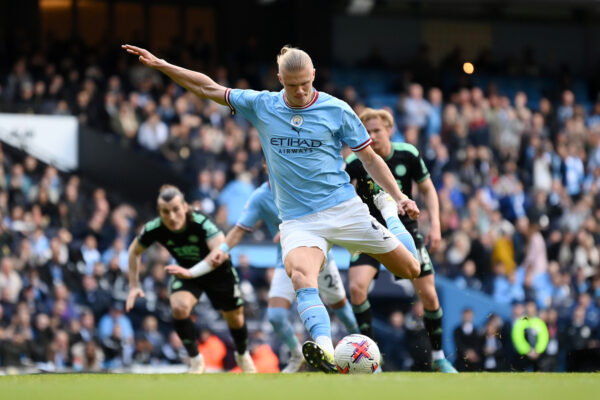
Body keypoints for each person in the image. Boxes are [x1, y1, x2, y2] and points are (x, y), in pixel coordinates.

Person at [123, 44, 420, 373]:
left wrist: (399, 197)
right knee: (300, 275)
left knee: (411, 269)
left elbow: (369, 158)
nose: (300, 91)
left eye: (305, 83)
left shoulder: (337, 110)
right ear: (280, 79)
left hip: (344, 209)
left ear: (314, 76)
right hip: (299, 220)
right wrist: (163, 64)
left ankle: (389, 214)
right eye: (292, 85)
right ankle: (323, 347)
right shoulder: (262, 104)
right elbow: (207, 87)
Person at [345, 107, 457, 372]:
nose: (371, 136)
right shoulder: (354, 162)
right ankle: (370, 359)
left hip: (405, 231)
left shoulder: (408, 153)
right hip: (369, 232)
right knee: (357, 289)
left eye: (376, 131)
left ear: (389, 130)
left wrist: (436, 225)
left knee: (429, 295)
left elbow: (428, 189)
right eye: (367, 131)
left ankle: (439, 356)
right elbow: (345, 197)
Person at [211, 173, 359, 373]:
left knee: (342, 309)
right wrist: (222, 251)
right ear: (266, 164)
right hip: (286, 260)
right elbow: (240, 229)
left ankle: (363, 352)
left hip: (318, 254)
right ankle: (297, 354)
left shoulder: (302, 184)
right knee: (275, 316)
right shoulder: (261, 197)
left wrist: (296, 228)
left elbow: (326, 211)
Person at [125, 185, 256, 373]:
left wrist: (192, 272)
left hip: (218, 272)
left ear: (185, 207)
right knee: (178, 307)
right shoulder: (155, 228)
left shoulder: (202, 222)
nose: (171, 216)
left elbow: (221, 254)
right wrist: (133, 286)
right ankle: (195, 360)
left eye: (176, 209)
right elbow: (134, 251)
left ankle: (242, 354)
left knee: (235, 319)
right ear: (159, 212)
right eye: (165, 212)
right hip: (186, 271)